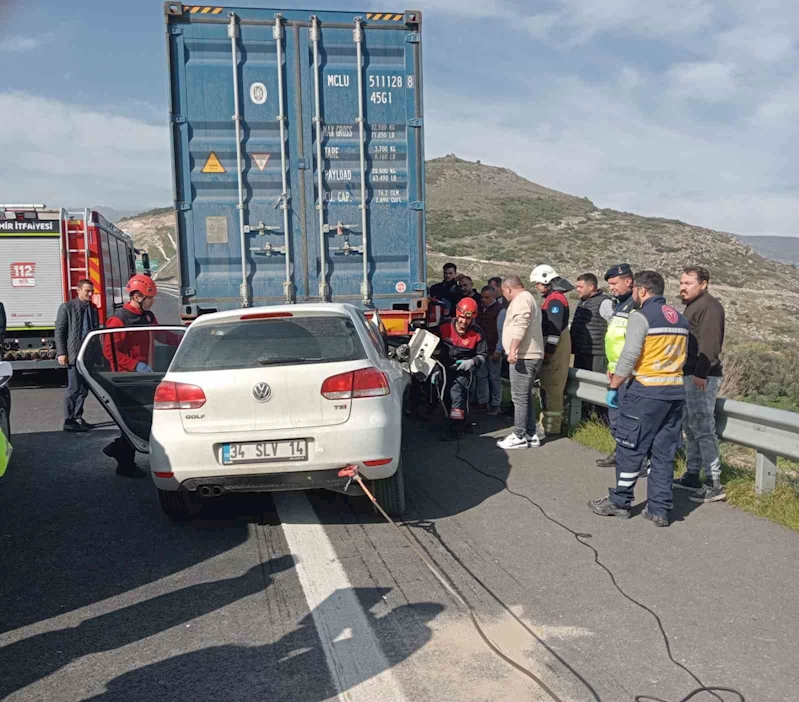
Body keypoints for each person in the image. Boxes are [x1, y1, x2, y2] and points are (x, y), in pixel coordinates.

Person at [588, 271, 688, 527]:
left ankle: (620, 502)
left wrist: (615, 385)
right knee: (663, 453)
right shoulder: (680, 318)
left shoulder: (641, 316)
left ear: (642, 291)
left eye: (635, 291)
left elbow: (631, 353)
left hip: (645, 391)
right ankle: (660, 509)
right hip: (674, 392)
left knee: (629, 449)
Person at [102, 274, 163, 478]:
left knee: (143, 419)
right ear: (136, 296)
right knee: (134, 421)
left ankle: (118, 450)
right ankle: (125, 463)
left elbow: (162, 335)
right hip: (126, 380)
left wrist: (189, 335)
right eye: (149, 297)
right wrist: (135, 365)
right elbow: (109, 351)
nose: (152, 301)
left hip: (146, 378)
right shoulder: (119, 320)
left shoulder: (148, 317)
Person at [674, 266, 727, 503]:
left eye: (688, 283)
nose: (682, 287)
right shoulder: (693, 306)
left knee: (703, 426)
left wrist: (701, 374)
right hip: (689, 374)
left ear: (703, 283)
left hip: (701, 375)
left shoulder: (710, 307)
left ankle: (714, 482)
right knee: (691, 425)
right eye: (681, 283)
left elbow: (710, 345)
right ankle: (692, 474)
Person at [496, 276, 545, 450]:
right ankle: (530, 434)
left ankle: (519, 435)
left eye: (503, 291)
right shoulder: (529, 298)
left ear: (509, 289)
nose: (504, 295)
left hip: (524, 355)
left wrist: (513, 348)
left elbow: (521, 324)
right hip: (530, 354)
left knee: (519, 397)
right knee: (526, 396)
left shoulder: (521, 300)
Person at [595, 264, 636, 468]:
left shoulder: (636, 305)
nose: (611, 288)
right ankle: (620, 452)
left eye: (614, 283)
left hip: (629, 373)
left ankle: (634, 458)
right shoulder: (619, 304)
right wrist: (611, 366)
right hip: (616, 370)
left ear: (628, 281)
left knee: (628, 418)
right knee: (616, 416)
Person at [436, 297, 488, 440]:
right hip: (446, 367)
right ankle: (463, 422)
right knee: (445, 395)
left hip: (465, 369)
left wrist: (471, 362)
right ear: (457, 314)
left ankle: (455, 430)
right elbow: (431, 341)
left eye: (468, 319)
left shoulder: (477, 333)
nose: (464, 322)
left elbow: (483, 355)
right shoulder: (444, 326)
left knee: (457, 395)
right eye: (462, 318)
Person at [530, 265, 573, 436]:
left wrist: (548, 352)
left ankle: (552, 427)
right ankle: (546, 424)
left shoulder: (555, 300)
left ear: (547, 281)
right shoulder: (553, 298)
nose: (536, 286)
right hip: (552, 348)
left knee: (553, 388)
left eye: (538, 283)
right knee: (548, 387)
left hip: (555, 350)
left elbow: (554, 330)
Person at [55, 279, 100, 433]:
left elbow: (95, 332)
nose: (90, 293)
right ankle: (69, 420)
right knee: (73, 389)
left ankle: (78, 417)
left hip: (88, 356)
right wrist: (62, 353)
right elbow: (60, 332)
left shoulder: (93, 309)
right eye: (87, 290)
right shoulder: (67, 308)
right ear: (78, 290)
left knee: (83, 389)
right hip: (74, 355)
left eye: (92, 291)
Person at [572, 273, 613, 373]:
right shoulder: (582, 302)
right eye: (577, 287)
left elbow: (614, 325)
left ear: (591, 287)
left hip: (596, 355)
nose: (577, 290)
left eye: (580, 287)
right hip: (580, 353)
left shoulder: (604, 302)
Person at [475, 286, 503, 415]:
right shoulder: (479, 309)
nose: (484, 300)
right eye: (482, 297)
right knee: (481, 376)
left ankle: (496, 404)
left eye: (487, 297)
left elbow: (502, 332)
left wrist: (499, 349)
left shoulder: (500, 311)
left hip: (493, 349)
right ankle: (483, 402)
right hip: (482, 349)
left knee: (494, 377)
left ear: (493, 297)